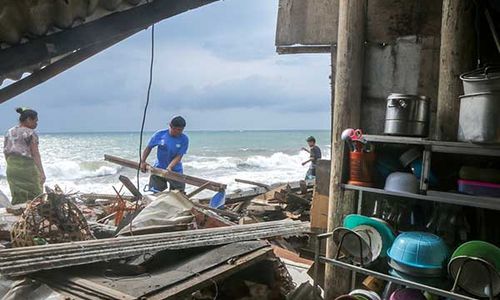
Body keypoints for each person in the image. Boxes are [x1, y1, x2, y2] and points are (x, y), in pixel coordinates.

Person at [4, 107, 45, 204]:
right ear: (28, 119)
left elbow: (5, 152)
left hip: (12, 168)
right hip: (27, 168)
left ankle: (19, 215)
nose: (36, 124)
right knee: (36, 195)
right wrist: (41, 172)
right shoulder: (30, 133)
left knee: (18, 195)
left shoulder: (9, 132)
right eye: (35, 121)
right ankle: (33, 216)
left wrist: (11, 165)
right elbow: (35, 154)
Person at [140, 116, 189, 192]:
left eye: (181, 130)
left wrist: (170, 167)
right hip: (159, 168)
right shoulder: (160, 135)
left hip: (175, 170)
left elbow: (179, 156)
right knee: (155, 193)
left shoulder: (184, 139)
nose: (180, 132)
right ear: (171, 126)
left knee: (178, 195)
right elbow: (148, 148)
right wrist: (143, 161)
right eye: (178, 130)